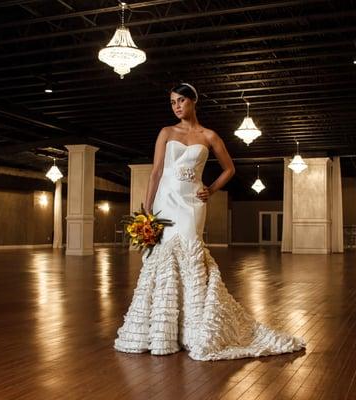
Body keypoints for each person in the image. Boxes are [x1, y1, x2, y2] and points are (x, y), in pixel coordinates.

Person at [114, 83, 305, 361]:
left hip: (192, 203)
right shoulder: (166, 133)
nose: (177, 106)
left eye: (181, 100)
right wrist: (146, 209)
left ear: (193, 102)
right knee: (163, 260)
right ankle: (164, 331)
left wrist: (211, 189)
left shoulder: (209, 135)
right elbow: (155, 173)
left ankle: (194, 329)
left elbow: (230, 169)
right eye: (172, 102)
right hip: (165, 202)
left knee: (191, 255)